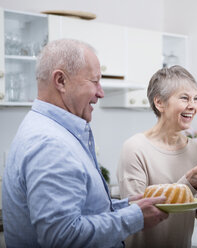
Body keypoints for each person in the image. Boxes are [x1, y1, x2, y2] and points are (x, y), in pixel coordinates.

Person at [1, 39, 168, 248]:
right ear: (61, 81)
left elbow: (84, 213)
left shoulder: (51, 130)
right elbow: (62, 237)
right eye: (95, 81)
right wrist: (135, 217)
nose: (101, 92)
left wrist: (129, 206)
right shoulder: (50, 144)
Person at [116, 65, 197, 248]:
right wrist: (189, 183)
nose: (193, 106)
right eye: (184, 98)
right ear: (160, 103)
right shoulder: (135, 148)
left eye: (195, 99)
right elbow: (138, 213)